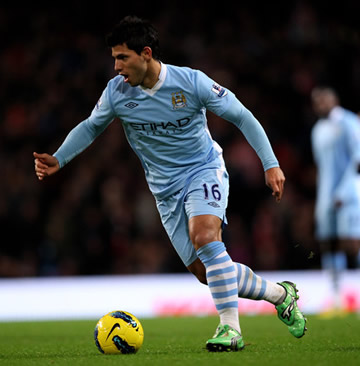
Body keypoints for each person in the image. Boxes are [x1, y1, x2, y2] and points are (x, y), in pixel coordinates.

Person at [33, 16, 306, 351]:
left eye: (122, 57)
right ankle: (281, 294)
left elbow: (241, 115)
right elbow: (92, 126)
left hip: (203, 170)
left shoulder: (190, 83)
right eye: (114, 58)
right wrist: (59, 158)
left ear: (146, 53)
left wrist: (271, 163)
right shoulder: (117, 92)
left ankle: (230, 329)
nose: (116, 66)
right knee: (206, 272)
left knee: (206, 236)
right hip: (164, 190)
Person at [310, 86, 360, 316]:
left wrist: (344, 193)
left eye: (324, 100)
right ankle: (337, 298)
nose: (321, 104)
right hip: (326, 195)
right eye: (316, 101)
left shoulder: (349, 123)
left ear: (334, 100)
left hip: (351, 196)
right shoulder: (318, 129)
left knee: (354, 244)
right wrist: (325, 197)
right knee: (329, 244)